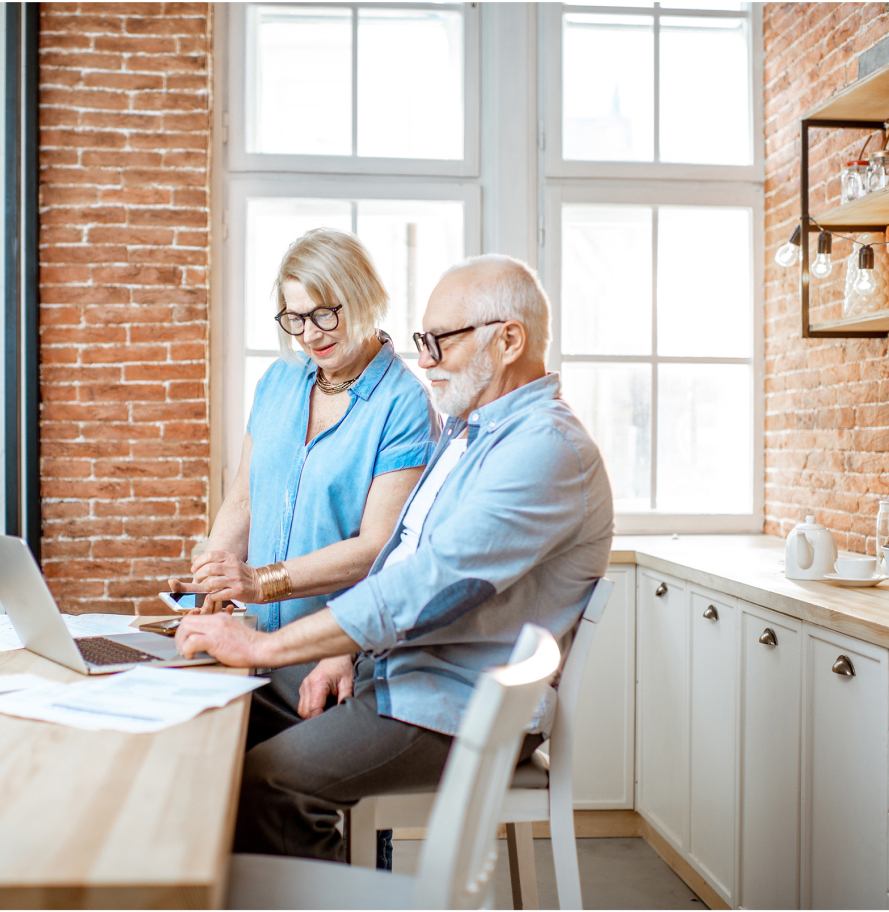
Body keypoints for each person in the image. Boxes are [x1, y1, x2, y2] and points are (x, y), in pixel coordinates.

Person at [175, 253, 615, 861]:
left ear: (508, 340)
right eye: (422, 341)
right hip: (394, 673)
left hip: (449, 702)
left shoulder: (545, 449)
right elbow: (402, 559)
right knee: (210, 719)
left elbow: (429, 586)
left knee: (266, 783)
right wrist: (341, 648)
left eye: (440, 342)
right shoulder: (470, 433)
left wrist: (264, 646)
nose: (426, 359)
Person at [170, 227, 436, 720]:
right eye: (295, 318)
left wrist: (259, 581)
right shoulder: (278, 381)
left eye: (324, 314)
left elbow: (377, 547)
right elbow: (245, 500)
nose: (309, 334)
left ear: (364, 297)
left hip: (328, 655)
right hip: (250, 640)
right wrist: (212, 579)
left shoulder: (404, 405)